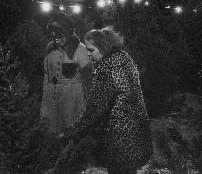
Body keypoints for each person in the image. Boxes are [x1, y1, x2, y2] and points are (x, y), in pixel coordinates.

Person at [55, 27, 152, 174]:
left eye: (91, 50)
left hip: (119, 140)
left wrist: (69, 133)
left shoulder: (106, 69)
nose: (88, 54)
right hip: (136, 135)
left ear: (103, 46)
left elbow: (94, 110)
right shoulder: (125, 59)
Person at [40, 12, 93, 133]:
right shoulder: (50, 49)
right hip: (51, 101)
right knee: (51, 136)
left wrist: (92, 111)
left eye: (59, 33)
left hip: (73, 102)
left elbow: (89, 83)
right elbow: (46, 77)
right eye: (53, 34)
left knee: (71, 136)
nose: (55, 37)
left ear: (67, 31)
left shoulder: (81, 50)